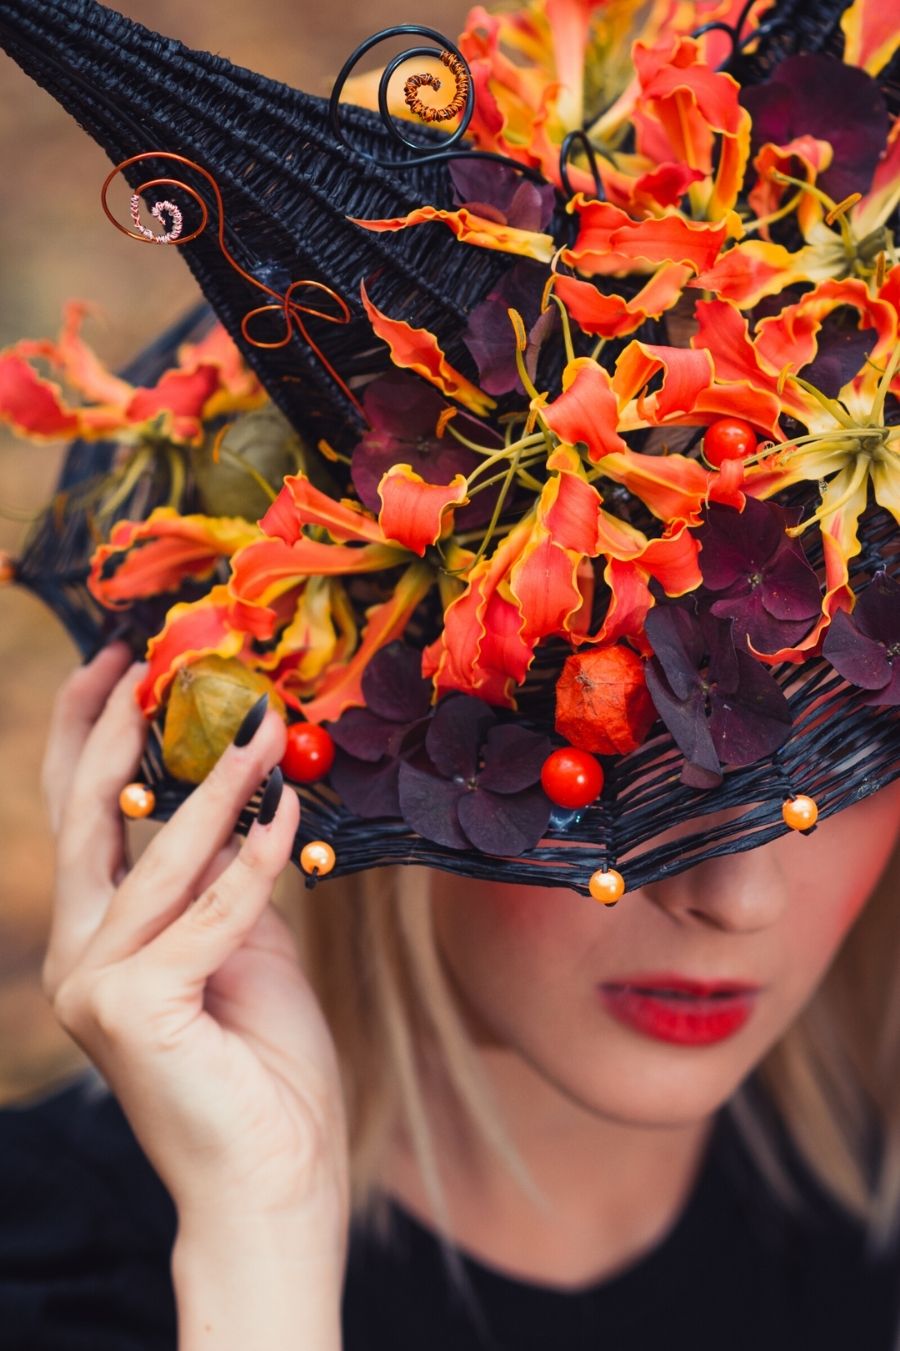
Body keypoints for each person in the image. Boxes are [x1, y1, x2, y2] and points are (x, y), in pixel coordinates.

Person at [0, 638, 898, 1349]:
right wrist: (259, 1249)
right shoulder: (51, 1266)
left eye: (843, 756)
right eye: (604, 757)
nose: (738, 899)